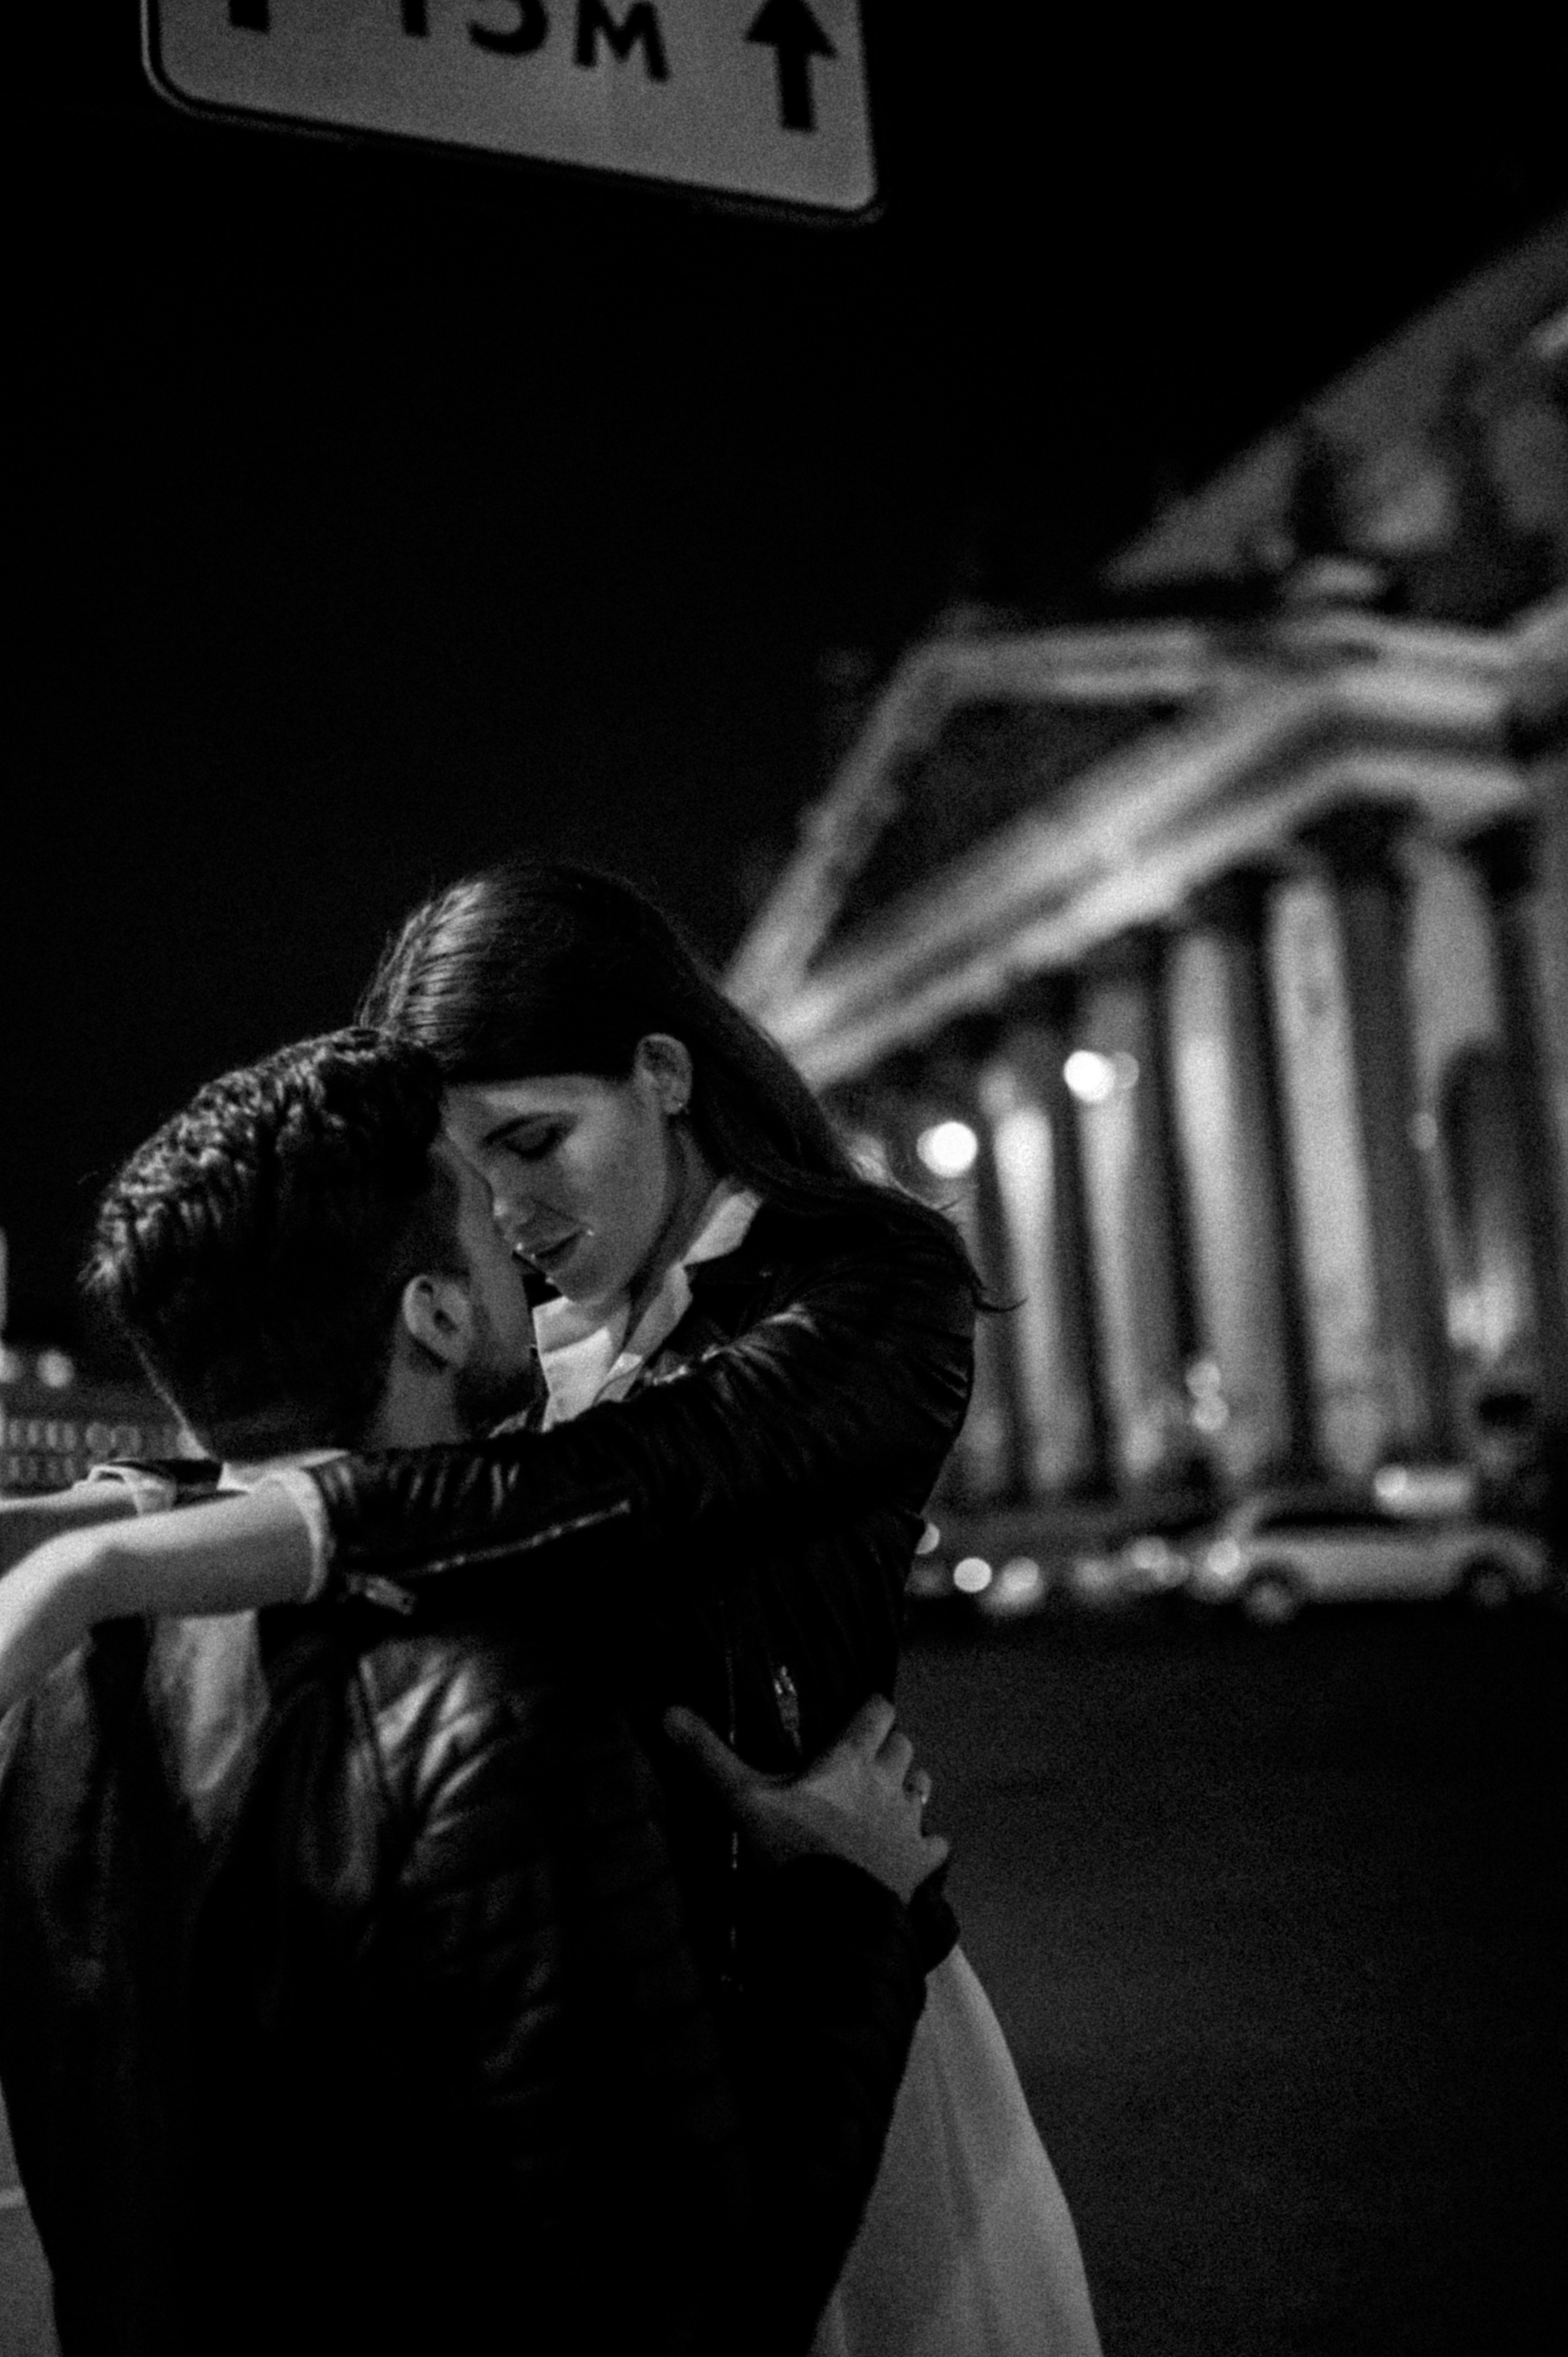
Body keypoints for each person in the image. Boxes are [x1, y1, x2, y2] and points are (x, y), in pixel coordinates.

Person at [0, 861, 1102, 2355]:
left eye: (533, 1139)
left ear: (662, 1071)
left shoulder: (862, 1279)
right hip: (570, 1985)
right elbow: (350, 1441)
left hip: (805, 1967)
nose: (509, 1211)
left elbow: (618, 1486)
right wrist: (96, 1506)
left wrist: (108, 1560)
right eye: (468, 1171)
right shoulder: (529, 1330)